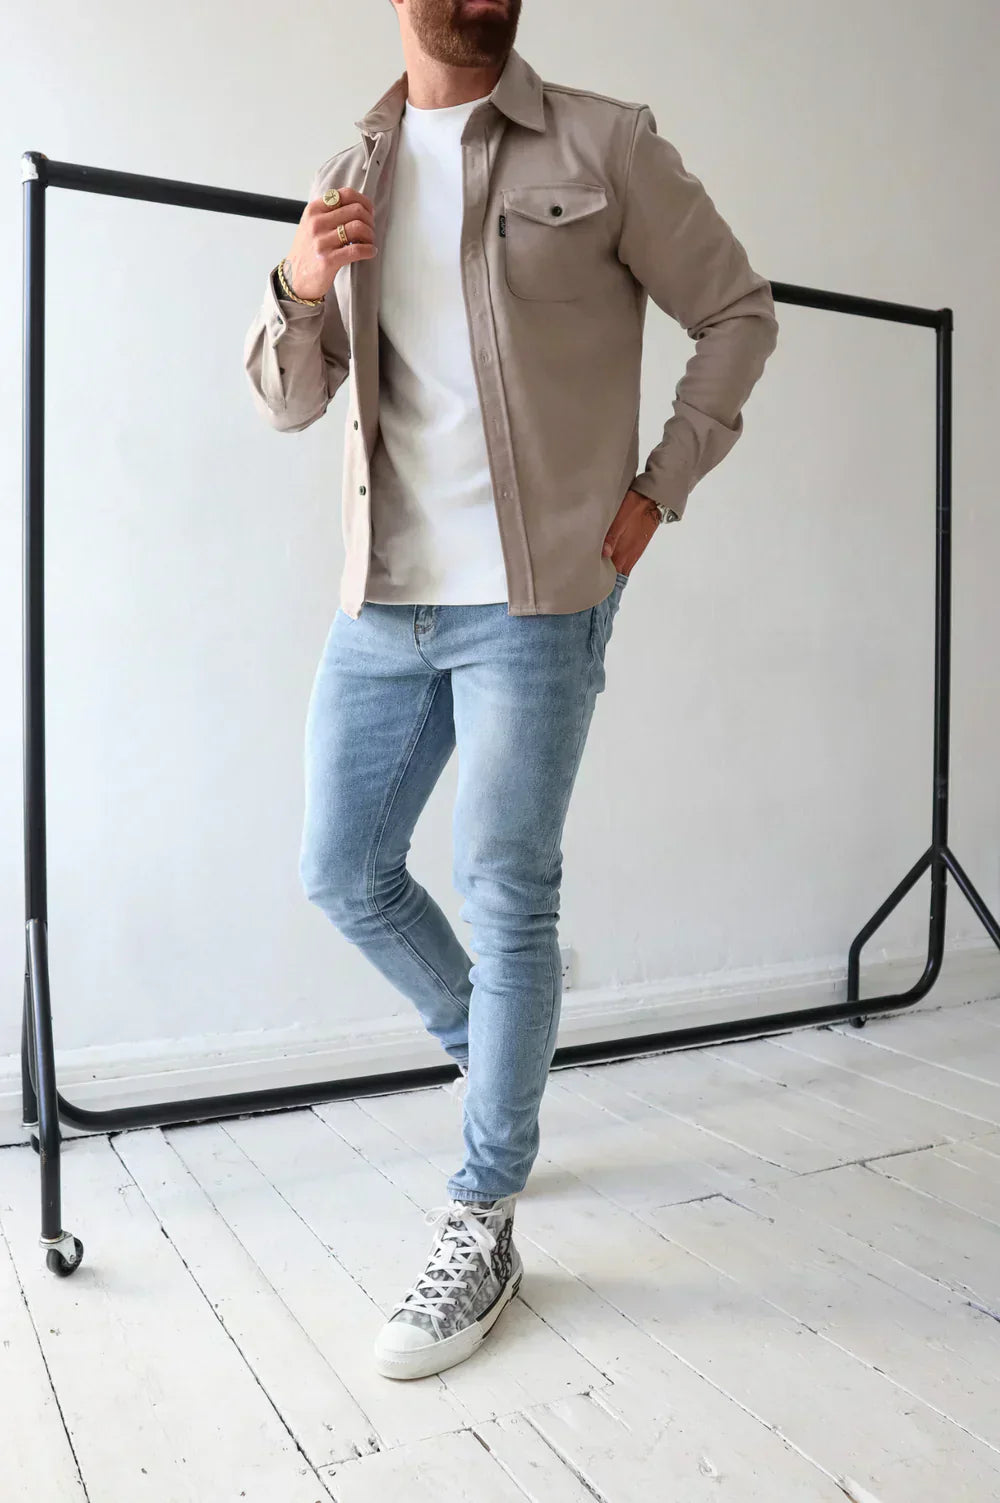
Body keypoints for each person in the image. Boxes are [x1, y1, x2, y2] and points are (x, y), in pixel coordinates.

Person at [243, 0, 778, 1383]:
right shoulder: (351, 172)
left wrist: (661, 488)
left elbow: (737, 312)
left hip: (538, 602)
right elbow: (290, 402)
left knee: (506, 890)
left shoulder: (607, 146)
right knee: (342, 868)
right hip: (385, 601)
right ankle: (500, 1050)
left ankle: (485, 1209)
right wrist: (296, 283)